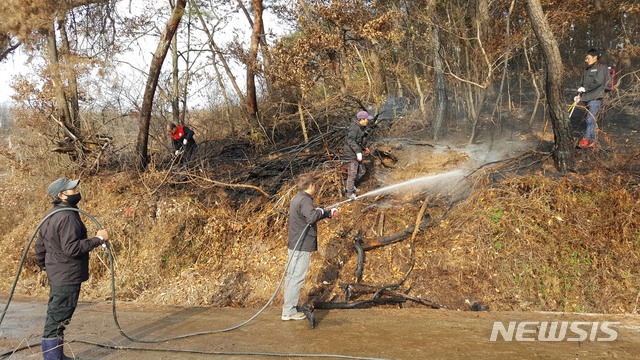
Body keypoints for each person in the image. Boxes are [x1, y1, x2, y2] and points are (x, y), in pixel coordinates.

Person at [35, 178, 109, 360]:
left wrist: (47, 267)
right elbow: (72, 249)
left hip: (59, 274)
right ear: (61, 195)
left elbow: (40, 247)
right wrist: (98, 240)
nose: (76, 191)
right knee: (58, 319)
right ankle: (53, 358)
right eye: (72, 189)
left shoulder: (51, 214)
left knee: (57, 316)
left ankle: (55, 356)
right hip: (67, 276)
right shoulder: (67, 216)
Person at [282, 173, 337, 321]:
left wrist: (327, 213)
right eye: (315, 186)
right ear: (311, 186)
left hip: (295, 245)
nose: (316, 188)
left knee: (292, 277)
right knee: (296, 278)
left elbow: (310, 215)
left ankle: (289, 308)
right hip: (301, 246)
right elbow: (312, 217)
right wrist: (319, 211)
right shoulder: (305, 200)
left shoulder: (298, 198)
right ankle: (289, 312)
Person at [574, 48, 609, 149]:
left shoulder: (601, 67)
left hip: (596, 97)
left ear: (595, 57)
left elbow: (598, 82)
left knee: (590, 119)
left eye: (588, 58)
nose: (586, 60)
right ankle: (592, 141)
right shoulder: (587, 69)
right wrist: (578, 94)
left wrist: (585, 89)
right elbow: (581, 83)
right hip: (586, 97)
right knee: (590, 120)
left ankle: (586, 139)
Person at [343, 110, 372, 200]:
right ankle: (350, 193)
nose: (367, 121)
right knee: (352, 173)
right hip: (351, 154)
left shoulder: (361, 127)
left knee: (362, 171)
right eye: (366, 119)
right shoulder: (354, 127)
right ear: (362, 119)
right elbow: (350, 141)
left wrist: (364, 149)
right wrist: (358, 152)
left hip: (356, 153)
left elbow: (358, 142)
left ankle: (351, 186)